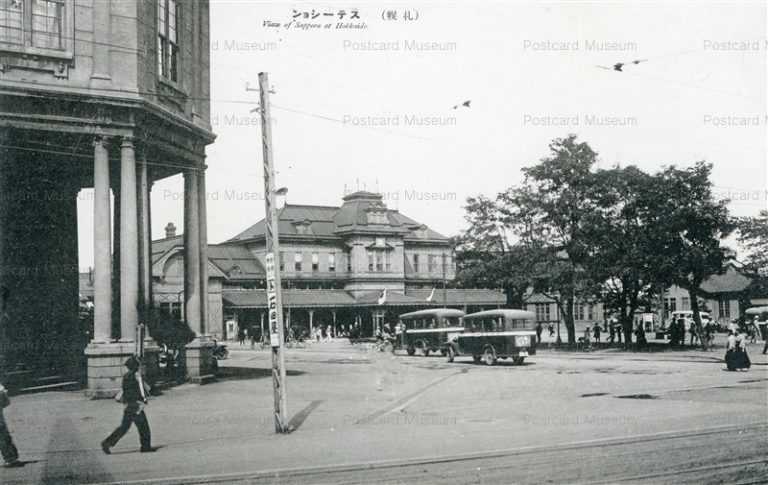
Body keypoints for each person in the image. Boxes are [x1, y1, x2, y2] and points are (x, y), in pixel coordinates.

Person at [102, 356, 154, 454]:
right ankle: (145, 447)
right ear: (135, 366)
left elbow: (124, 390)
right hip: (137, 405)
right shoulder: (137, 375)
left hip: (128, 405)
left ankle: (107, 442)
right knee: (144, 427)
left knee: (124, 427)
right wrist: (144, 398)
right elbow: (142, 388)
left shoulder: (125, 376)